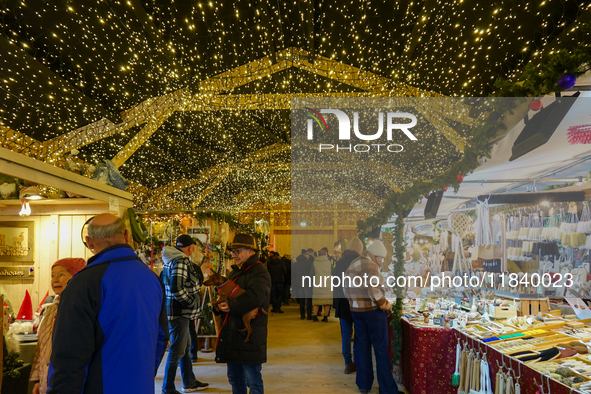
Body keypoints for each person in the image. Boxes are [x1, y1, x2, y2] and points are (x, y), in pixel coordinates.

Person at [47, 213, 168, 394]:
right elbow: (161, 336)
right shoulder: (151, 278)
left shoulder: (84, 283)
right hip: (141, 386)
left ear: (89, 242)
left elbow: (69, 355)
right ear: (127, 236)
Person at [214, 233, 271, 394]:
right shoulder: (235, 272)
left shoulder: (259, 272)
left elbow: (256, 297)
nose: (234, 254)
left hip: (249, 338)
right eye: (233, 251)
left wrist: (231, 306)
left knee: (253, 381)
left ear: (251, 251)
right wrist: (219, 305)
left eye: (238, 251)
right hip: (233, 336)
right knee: (235, 380)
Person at [344, 240, 398, 394]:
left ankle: (363, 384)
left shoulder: (354, 263)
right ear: (374, 255)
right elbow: (373, 289)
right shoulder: (371, 266)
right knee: (381, 350)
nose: (381, 260)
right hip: (373, 312)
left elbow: (345, 288)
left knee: (362, 348)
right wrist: (385, 304)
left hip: (356, 311)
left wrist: (354, 304)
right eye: (380, 257)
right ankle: (387, 389)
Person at [30, 258, 86, 394]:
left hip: (71, 384)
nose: (55, 280)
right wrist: (38, 380)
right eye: (52, 276)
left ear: (77, 277)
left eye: (61, 274)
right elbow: (42, 347)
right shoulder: (51, 310)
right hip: (47, 383)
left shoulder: (83, 308)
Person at [161, 234, 209, 393]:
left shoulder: (172, 260)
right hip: (179, 312)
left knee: (185, 348)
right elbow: (176, 288)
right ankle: (168, 387)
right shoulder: (181, 261)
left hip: (179, 312)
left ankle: (189, 381)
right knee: (176, 350)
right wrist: (190, 302)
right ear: (189, 247)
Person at [333, 237, 363, 374]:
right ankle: (357, 361)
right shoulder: (359, 263)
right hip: (356, 302)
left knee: (345, 332)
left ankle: (347, 363)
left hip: (342, 302)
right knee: (358, 333)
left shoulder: (339, 263)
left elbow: (335, 282)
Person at [311, 248, 332, 322]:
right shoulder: (329, 262)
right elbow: (332, 272)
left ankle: (314, 316)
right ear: (325, 254)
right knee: (327, 301)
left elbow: (311, 273)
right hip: (327, 283)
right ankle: (325, 317)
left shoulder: (314, 262)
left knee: (316, 300)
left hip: (317, 283)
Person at [292, 249, 314, 320]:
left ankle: (302, 315)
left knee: (302, 299)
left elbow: (294, 274)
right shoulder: (309, 263)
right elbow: (312, 273)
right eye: (308, 255)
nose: (309, 256)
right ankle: (309, 315)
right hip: (307, 283)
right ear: (305, 256)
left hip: (299, 283)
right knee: (308, 299)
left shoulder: (296, 264)